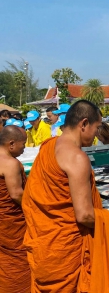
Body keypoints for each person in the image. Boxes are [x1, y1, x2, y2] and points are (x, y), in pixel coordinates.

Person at [22, 100, 109, 292]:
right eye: (96, 127)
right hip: (65, 252)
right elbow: (85, 216)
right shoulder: (77, 157)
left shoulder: (48, 146)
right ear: (83, 124)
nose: (97, 132)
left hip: (45, 245)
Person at [0, 125, 30, 292]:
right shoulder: (10, 163)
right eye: (23, 144)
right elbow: (17, 195)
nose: (24, 148)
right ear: (11, 144)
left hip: (3, 223)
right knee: (17, 262)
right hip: (12, 225)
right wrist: (36, 209)